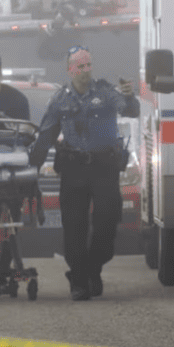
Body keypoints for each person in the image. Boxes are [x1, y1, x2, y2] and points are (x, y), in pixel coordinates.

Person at [29, 45, 139, 301]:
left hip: (104, 167)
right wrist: (31, 167)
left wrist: (130, 95)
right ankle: (79, 280)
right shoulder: (60, 100)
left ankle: (93, 268)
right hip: (74, 168)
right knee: (74, 227)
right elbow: (45, 136)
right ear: (69, 70)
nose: (86, 71)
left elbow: (129, 110)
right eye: (80, 66)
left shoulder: (106, 91)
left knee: (107, 223)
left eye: (88, 65)